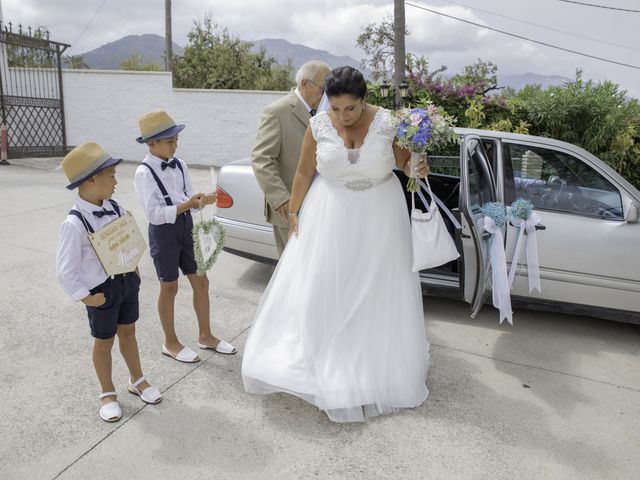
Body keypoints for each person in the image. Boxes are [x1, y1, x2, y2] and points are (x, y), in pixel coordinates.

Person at [242, 67, 431, 422]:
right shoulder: (319, 125)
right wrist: (294, 210)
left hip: (380, 217)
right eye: (336, 109)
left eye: (351, 109)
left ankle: (374, 362)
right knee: (325, 286)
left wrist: (417, 166)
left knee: (376, 289)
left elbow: (405, 164)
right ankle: (324, 354)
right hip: (328, 214)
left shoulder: (389, 123)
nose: (342, 117)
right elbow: (302, 172)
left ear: (364, 100)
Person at [56, 141, 162, 422]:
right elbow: (65, 269)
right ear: (91, 179)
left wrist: (134, 268)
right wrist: (86, 296)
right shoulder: (75, 223)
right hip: (101, 291)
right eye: (111, 176)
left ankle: (137, 379)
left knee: (129, 333)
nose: (116, 182)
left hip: (126, 283)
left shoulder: (114, 207)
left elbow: (124, 239)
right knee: (103, 342)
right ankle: (107, 391)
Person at [134, 109, 236, 363]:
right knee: (169, 287)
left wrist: (201, 201)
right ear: (151, 143)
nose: (175, 146)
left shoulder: (180, 165)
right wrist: (186, 204)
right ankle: (170, 342)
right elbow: (155, 214)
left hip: (187, 226)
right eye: (170, 141)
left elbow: (189, 198)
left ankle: (206, 335)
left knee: (201, 281)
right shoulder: (144, 173)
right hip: (164, 233)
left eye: (176, 140)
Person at [251, 60, 332, 256]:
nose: (327, 95)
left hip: (319, 204)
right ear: (305, 84)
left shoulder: (327, 113)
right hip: (289, 208)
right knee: (292, 271)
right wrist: (282, 200)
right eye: (324, 88)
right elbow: (262, 159)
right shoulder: (277, 111)